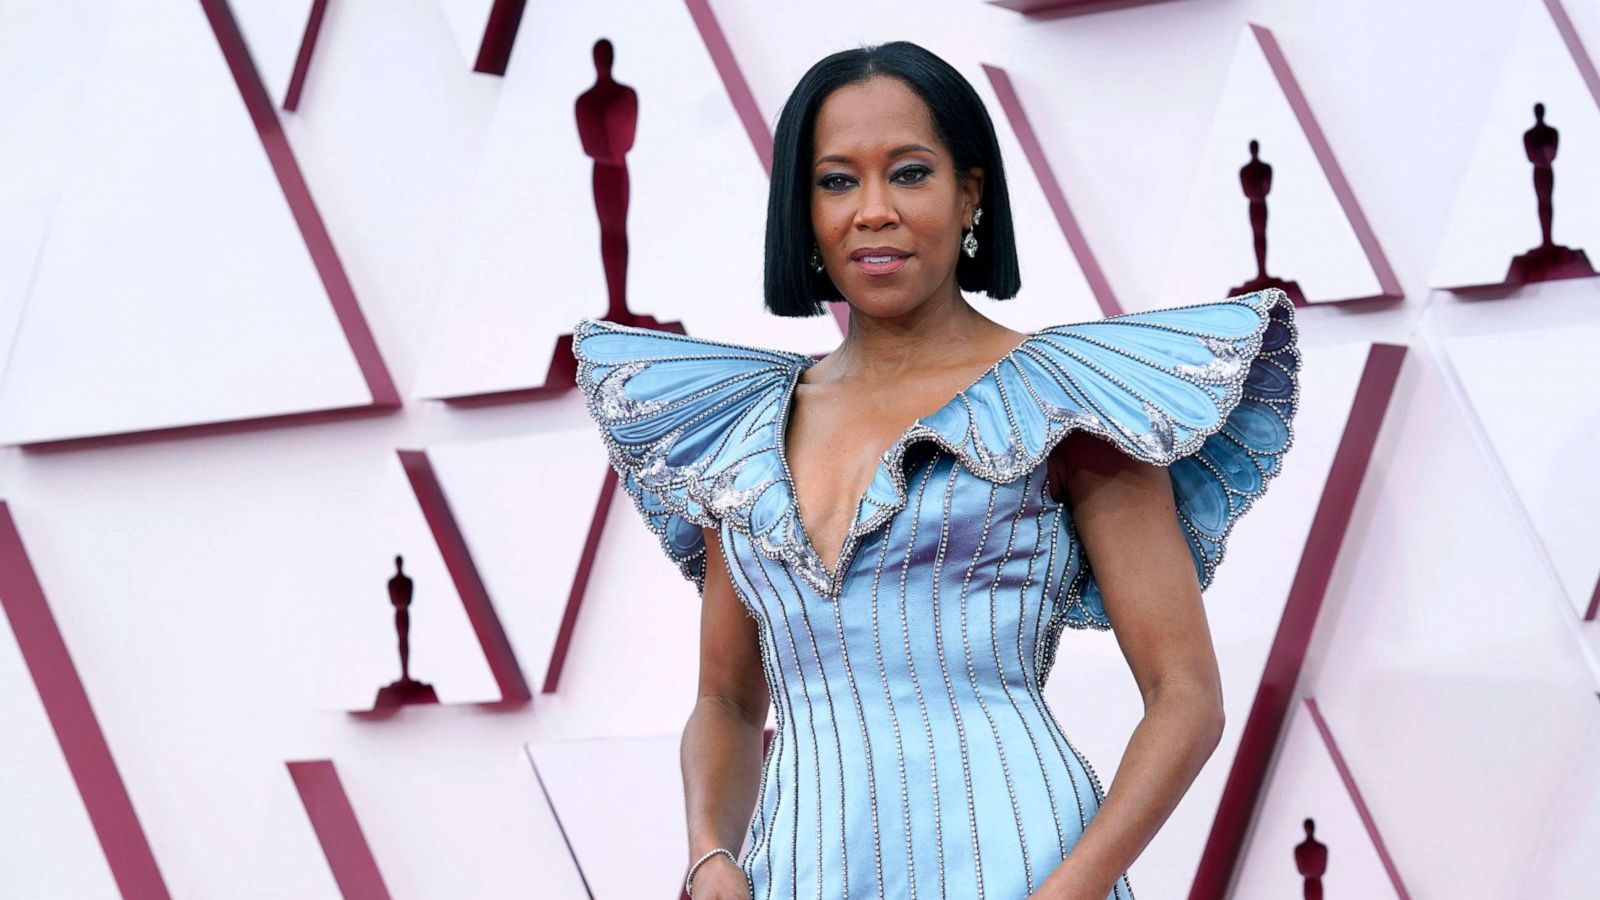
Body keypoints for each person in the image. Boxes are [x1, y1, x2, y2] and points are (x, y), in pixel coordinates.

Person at [571, 40, 1300, 900]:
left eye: (910, 173)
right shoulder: (737, 424)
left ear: (971, 194)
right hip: (802, 874)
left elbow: (1186, 697)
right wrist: (710, 854)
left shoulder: (1069, 398)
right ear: (801, 210)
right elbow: (728, 702)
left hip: (1021, 867)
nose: (872, 211)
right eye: (837, 181)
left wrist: (1067, 895)